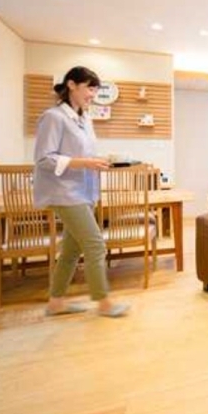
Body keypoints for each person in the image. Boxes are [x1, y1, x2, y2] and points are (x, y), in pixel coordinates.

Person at [33, 66, 129, 318]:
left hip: (84, 191)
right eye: (89, 88)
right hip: (64, 192)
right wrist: (85, 162)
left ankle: (56, 303)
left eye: (96, 90)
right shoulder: (53, 117)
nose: (93, 94)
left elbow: (81, 154)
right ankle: (104, 303)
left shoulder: (85, 119)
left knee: (71, 250)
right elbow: (44, 159)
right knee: (95, 245)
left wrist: (94, 160)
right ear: (71, 85)